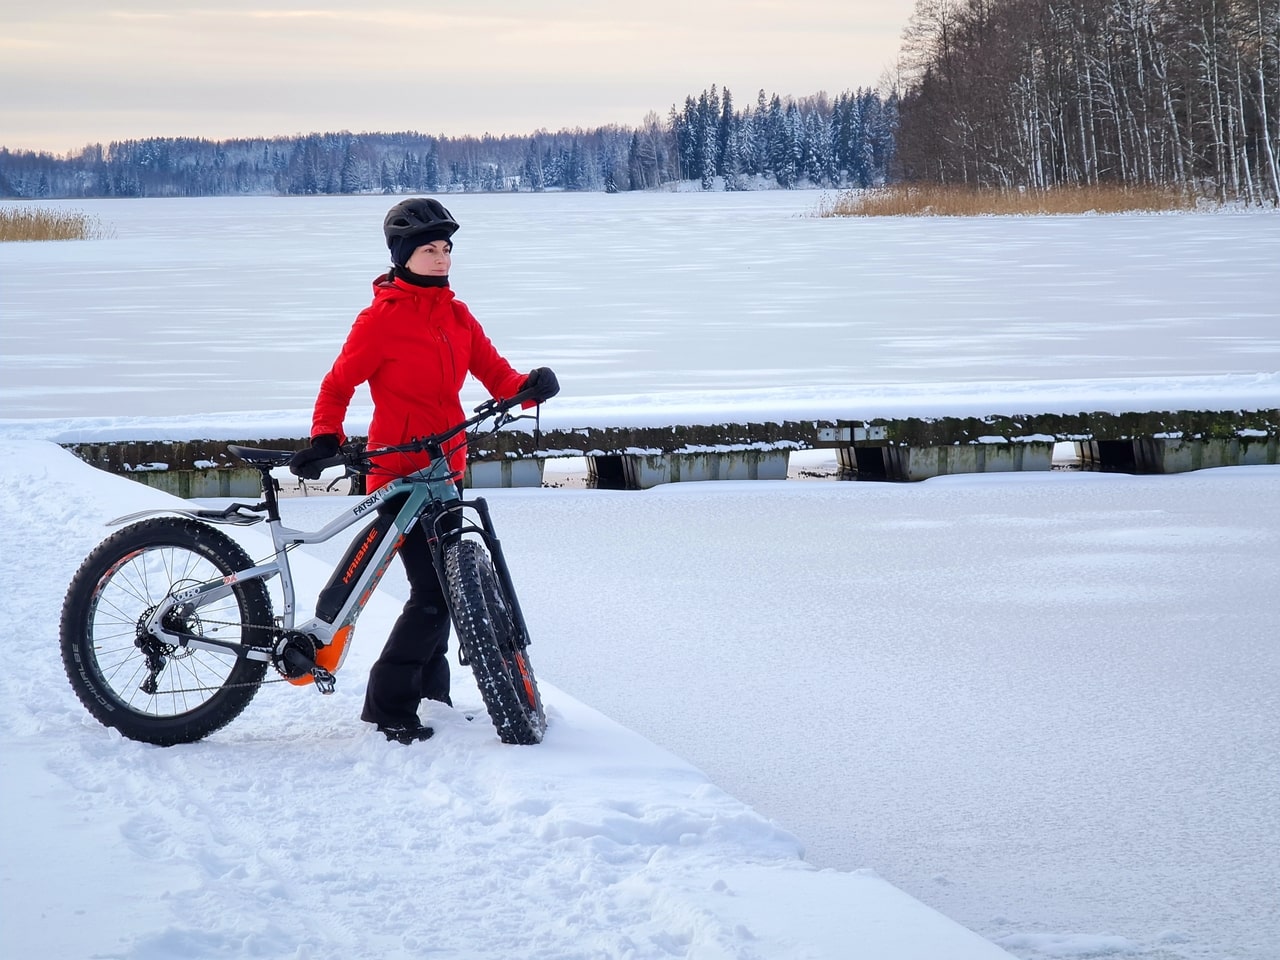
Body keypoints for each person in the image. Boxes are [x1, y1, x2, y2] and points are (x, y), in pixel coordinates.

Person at [289, 198, 559, 744]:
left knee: (449, 591)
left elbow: (495, 373)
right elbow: (337, 385)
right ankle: (389, 706)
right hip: (398, 474)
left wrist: (529, 388)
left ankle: (434, 694)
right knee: (433, 594)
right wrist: (325, 436)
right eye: (428, 250)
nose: (440, 259)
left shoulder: (457, 316)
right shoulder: (379, 321)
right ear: (402, 256)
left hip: (446, 467)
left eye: (446, 249)